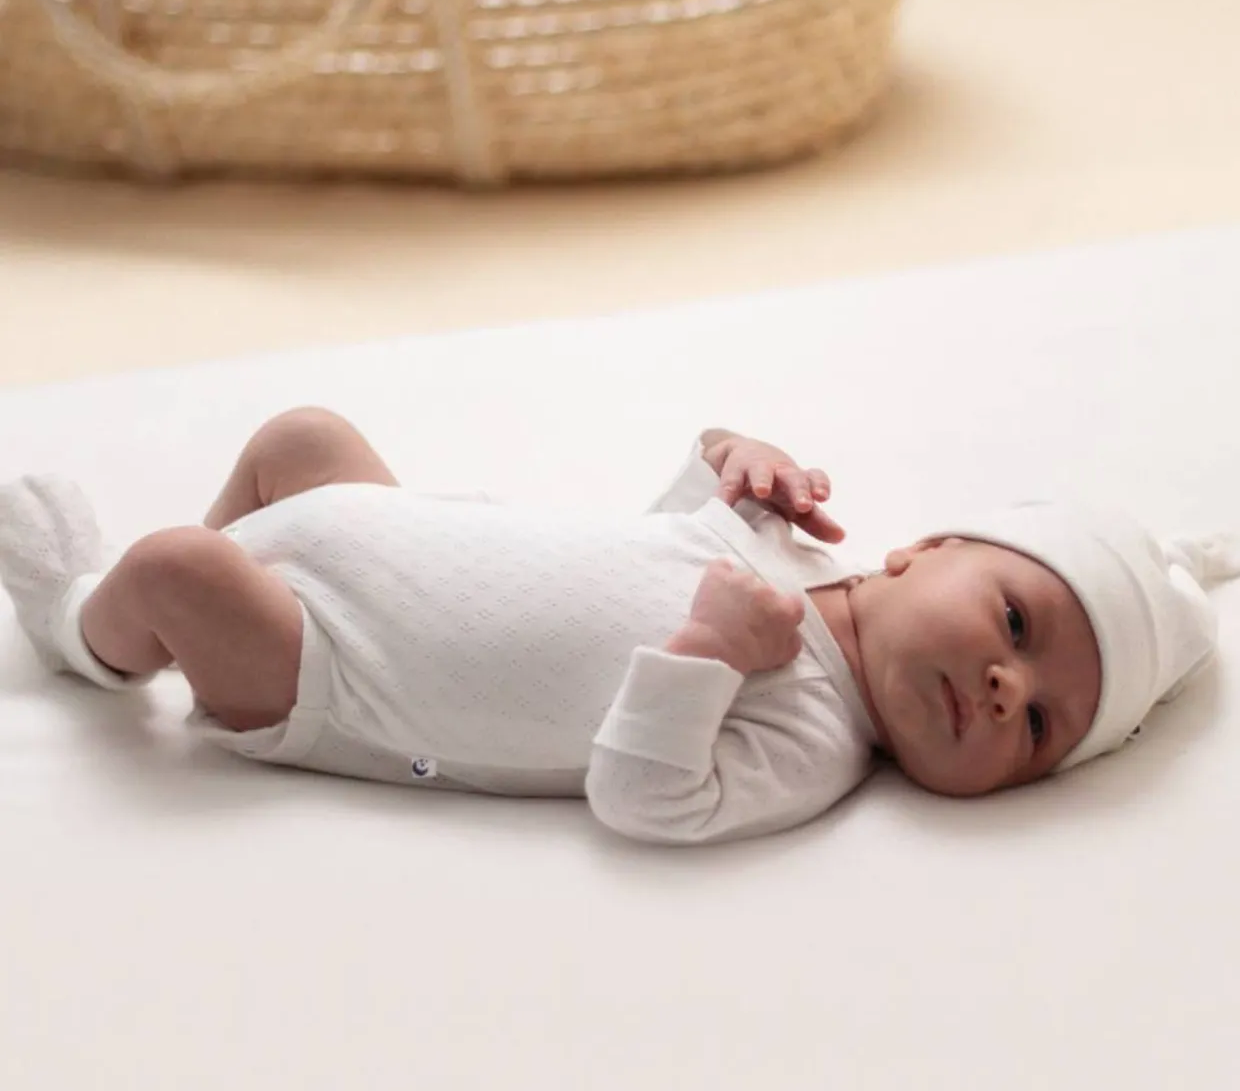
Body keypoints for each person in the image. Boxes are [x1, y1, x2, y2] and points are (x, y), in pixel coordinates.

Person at [1, 408, 1236, 845]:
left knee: (178, 567)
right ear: (919, 549)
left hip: (339, 673)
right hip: (390, 536)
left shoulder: (815, 738)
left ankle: (83, 628)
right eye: (1015, 621)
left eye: (1042, 727)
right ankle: (222, 576)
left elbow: (647, 799)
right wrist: (727, 458)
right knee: (301, 439)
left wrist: (710, 658)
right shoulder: (791, 549)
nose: (1008, 685)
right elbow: (645, 546)